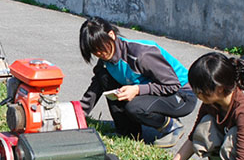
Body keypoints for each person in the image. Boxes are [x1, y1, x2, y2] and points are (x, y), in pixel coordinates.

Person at [78, 17, 197, 147]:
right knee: (104, 77)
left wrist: (137, 90)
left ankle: (171, 126)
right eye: (94, 51)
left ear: (111, 35)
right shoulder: (107, 61)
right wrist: (78, 114)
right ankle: (128, 132)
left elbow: (173, 84)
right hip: (158, 91)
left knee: (134, 106)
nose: (99, 53)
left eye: (100, 47)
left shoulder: (141, 55)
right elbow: (96, 87)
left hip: (182, 94)